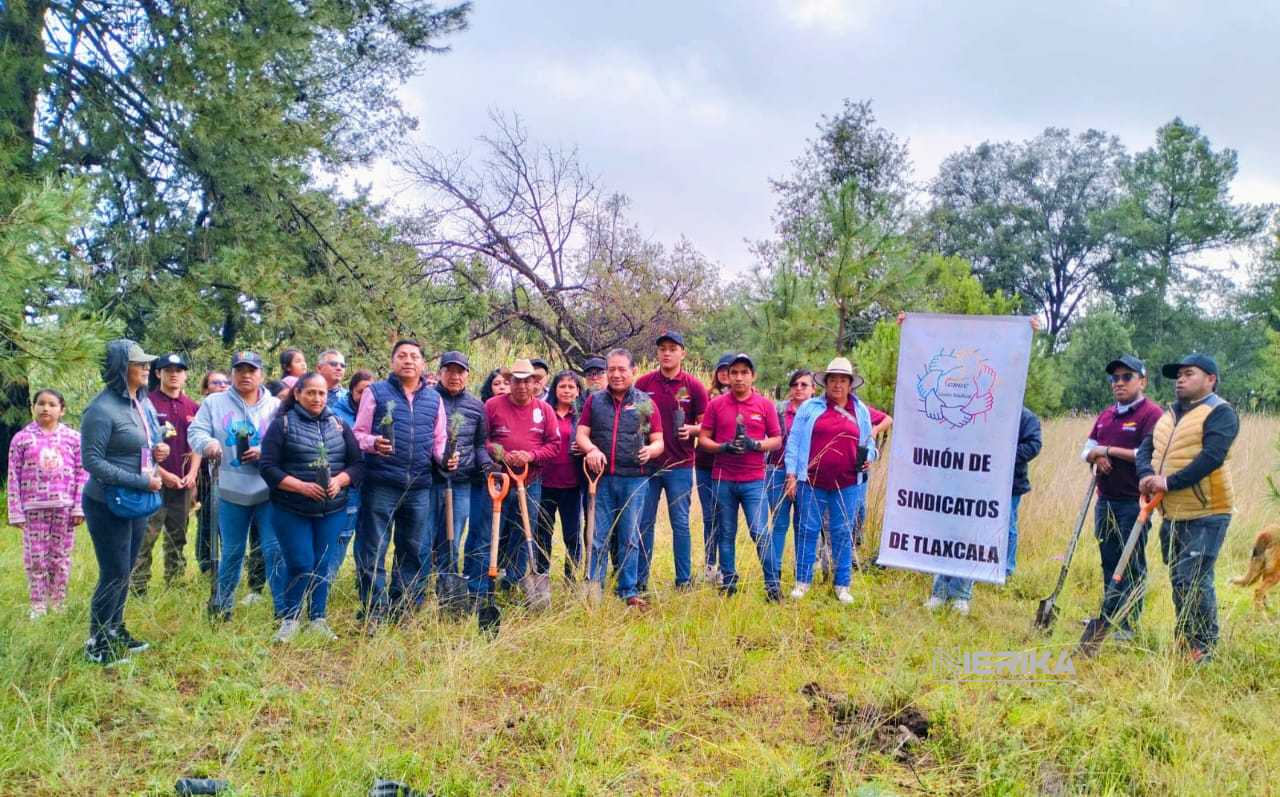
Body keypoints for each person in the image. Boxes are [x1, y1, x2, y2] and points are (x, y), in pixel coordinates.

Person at [1137, 354, 1239, 663]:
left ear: (1211, 379)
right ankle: (1185, 641)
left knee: (1194, 579)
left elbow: (1212, 457)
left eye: (1189, 373)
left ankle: (1203, 648)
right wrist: (1145, 476)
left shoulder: (1220, 412)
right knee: (1180, 579)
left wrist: (1167, 483)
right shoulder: (1168, 415)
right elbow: (1145, 448)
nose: (1180, 379)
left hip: (1207, 512)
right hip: (1173, 513)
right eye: (1178, 374)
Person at [352, 339, 452, 626]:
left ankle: (403, 608)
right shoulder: (376, 392)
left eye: (414, 356)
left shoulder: (434, 399)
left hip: (419, 485)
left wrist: (446, 459)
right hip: (381, 482)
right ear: (393, 361)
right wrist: (373, 442)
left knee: (412, 549)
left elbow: (439, 440)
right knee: (373, 548)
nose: (408, 361)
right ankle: (374, 610)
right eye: (402, 356)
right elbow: (358, 434)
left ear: (422, 364)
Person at [259, 372, 365, 642]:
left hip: (332, 510)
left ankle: (318, 618)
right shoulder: (282, 425)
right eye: (311, 393)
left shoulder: (339, 424)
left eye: (322, 393)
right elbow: (268, 467)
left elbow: (357, 464)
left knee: (322, 563)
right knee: (300, 561)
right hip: (291, 509)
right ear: (297, 394)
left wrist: (340, 481)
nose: (317, 398)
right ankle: (290, 619)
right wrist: (301, 486)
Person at [80, 339, 167, 664]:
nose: (147, 368)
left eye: (147, 363)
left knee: (125, 569)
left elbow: (148, 442)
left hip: (136, 501)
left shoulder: (140, 403)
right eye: (140, 364)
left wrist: (159, 451)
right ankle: (96, 644)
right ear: (120, 367)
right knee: (113, 571)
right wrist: (141, 480)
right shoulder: (100, 410)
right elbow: (92, 462)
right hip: (107, 502)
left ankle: (114, 630)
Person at [189, 350, 286, 621]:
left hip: (268, 490)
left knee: (273, 548)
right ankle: (222, 607)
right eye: (240, 370)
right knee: (231, 551)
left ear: (261, 374)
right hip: (229, 489)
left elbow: (288, 439)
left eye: (251, 370)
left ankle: (283, 610)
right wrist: (207, 444)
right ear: (232, 373)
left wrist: (263, 450)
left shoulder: (276, 407)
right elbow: (195, 431)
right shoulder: (214, 403)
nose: (246, 375)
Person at [1079, 355, 1164, 641]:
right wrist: (1097, 454)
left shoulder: (1152, 414)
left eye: (1126, 377)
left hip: (1134, 503)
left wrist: (1108, 451)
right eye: (1114, 378)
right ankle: (1108, 616)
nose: (1119, 383)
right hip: (1106, 500)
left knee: (1131, 562)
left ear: (1143, 380)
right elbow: (1086, 451)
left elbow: (1147, 453)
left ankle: (1128, 624)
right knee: (1109, 557)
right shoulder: (1106, 415)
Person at [926, 406, 1042, 615]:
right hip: (971, 482)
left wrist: (1002, 455)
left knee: (1003, 527)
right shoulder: (977, 411)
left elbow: (1034, 446)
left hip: (1009, 484)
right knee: (953, 532)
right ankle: (940, 591)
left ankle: (999, 572)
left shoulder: (1026, 417)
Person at [783, 358, 879, 604]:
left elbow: (869, 443)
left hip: (848, 483)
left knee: (843, 532)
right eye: (833, 380)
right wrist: (791, 475)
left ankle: (842, 584)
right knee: (807, 530)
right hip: (811, 481)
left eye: (843, 380)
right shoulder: (810, 408)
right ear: (825, 383)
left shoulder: (861, 411)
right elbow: (793, 442)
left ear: (850, 384)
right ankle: (802, 581)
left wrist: (870, 456)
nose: (838, 385)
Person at [577, 349, 663, 607]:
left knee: (629, 537)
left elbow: (659, 441)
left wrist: (651, 450)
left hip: (634, 480)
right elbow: (581, 434)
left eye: (621, 369)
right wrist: (591, 449)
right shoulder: (595, 401)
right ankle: (595, 587)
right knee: (597, 535)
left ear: (633, 371)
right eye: (611, 369)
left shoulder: (645, 402)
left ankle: (628, 590)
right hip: (601, 479)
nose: (616, 374)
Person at [467, 358, 560, 596]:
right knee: (488, 533)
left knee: (522, 533)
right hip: (498, 481)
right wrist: (502, 454)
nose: (521, 386)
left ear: (534, 383)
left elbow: (554, 445)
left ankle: (514, 583)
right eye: (516, 381)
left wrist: (530, 456)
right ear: (509, 382)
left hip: (530, 482)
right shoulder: (492, 405)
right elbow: (482, 440)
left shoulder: (544, 410)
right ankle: (480, 586)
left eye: (527, 381)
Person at [698, 353, 783, 601]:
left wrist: (755, 445)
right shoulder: (716, 404)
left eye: (744, 372)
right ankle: (729, 581)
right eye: (734, 372)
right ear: (728, 376)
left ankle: (773, 584)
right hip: (723, 478)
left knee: (759, 531)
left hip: (754, 480)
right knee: (726, 532)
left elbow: (777, 440)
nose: (738, 377)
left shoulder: (765, 405)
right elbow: (703, 438)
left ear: (753, 375)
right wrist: (722, 447)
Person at [635, 331, 709, 592]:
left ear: (683, 353)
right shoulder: (644, 384)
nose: (667, 353)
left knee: (680, 524)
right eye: (662, 348)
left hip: (680, 465)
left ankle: (684, 581)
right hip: (649, 466)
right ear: (657, 353)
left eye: (672, 348)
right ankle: (639, 581)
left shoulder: (694, 386)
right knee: (644, 523)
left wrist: (692, 429)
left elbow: (707, 426)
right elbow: (631, 417)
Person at [7, 389, 86, 618]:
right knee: (36, 558)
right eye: (40, 403)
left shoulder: (73, 438)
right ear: (33, 407)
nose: (45, 408)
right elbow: (13, 476)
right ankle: (38, 604)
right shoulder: (21, 439)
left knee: (60, 557)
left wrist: (79, 506)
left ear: (62, 410)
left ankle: (57, 601)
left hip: (64, 508)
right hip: (33, 510)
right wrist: (16, 511)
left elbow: (83, 474)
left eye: (52, 404)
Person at [131, 353, 201, 595]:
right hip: (154, 481)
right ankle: (138, 587)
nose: (174, 374)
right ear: (157, 373)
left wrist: (192, 474)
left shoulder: (193, 407)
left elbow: (197, 445)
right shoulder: (145, 404)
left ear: (185, 374)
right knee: (146, 535)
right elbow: (141, 447)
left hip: (183, 484)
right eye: (168, 369)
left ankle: (175, 584)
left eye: (179, 370)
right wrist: (162, 474)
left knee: (178, 536)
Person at [429, 352, 491, 584]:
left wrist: (486, 464)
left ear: (467, 375)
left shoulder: (476, 406)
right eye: (449, 370)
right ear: (440, 373)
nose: (455, 376)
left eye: (460, 371)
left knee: (452, 538)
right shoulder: (428, 399)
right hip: (430, 481)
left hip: (461, 482)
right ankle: (417, 589)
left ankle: (447, 586)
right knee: (424, 536)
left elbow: (479, 444)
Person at [326, 369, 373, 586]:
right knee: (342, 534)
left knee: (369, 534)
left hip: (374, 480)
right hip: (347, 480)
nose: (364, 397)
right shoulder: (336, 413)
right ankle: (325, 581)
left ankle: (363, 580)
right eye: (359, 391)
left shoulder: (380, 410)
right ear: (351, 391)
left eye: (368, 392)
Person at [766, 368, 814, 576]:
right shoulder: (778, 410)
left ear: (814, 389)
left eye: (804, 385)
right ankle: (773, 573)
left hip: (807, 476)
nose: (799, 389)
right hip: (777, 471)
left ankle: (801, 574)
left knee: (803, 525)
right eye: (795, 385)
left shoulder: (817, 411)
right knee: (779, 522)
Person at [537, 371, 584, 580]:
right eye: (562, 386)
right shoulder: (544, 413)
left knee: (573, 534)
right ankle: (541, 574)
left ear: (578, 391)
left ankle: (571, 575)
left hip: (572, 484)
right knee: (543, 532)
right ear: (554, 389)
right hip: (544, 482)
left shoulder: (582, 417)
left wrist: (585, 448)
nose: (566, 390)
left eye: (571, 387)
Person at [695, 353, 734, 585]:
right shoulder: (707, 396)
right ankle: (710, 564)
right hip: (705, 464)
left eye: (729, 369)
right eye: (721, 369)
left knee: (725, 517)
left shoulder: (746, 398)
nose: (724, 373)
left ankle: (725, 566)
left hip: (729, 467)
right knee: (709, 516)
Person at [195, 371, 229, 575]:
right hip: (203, 478)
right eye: (216, 383)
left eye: (226, 382)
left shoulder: (230, 410)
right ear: (206, 387)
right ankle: (207, 564)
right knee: (206, 521)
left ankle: (226, 563)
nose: (222, 386)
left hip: (226, 476)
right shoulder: (203, 410)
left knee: (225, 523)